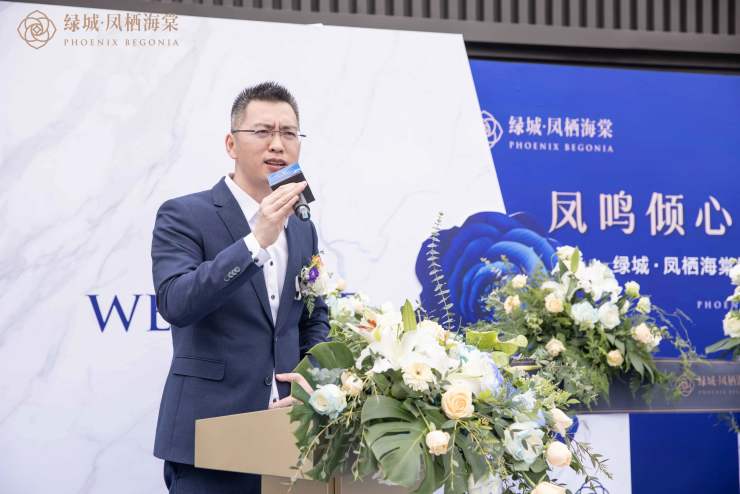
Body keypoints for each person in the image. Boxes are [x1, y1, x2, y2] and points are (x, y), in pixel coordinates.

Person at [151, 82, 329, 493]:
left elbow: (313, 316)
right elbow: (176, 302)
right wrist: (255, 242)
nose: (277, 144)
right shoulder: (184, 214)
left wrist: (311, 385)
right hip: (209, 437)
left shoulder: (302, 225)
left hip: (289, 438)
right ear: (231, 144)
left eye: (288, 133)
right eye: (262, 131)